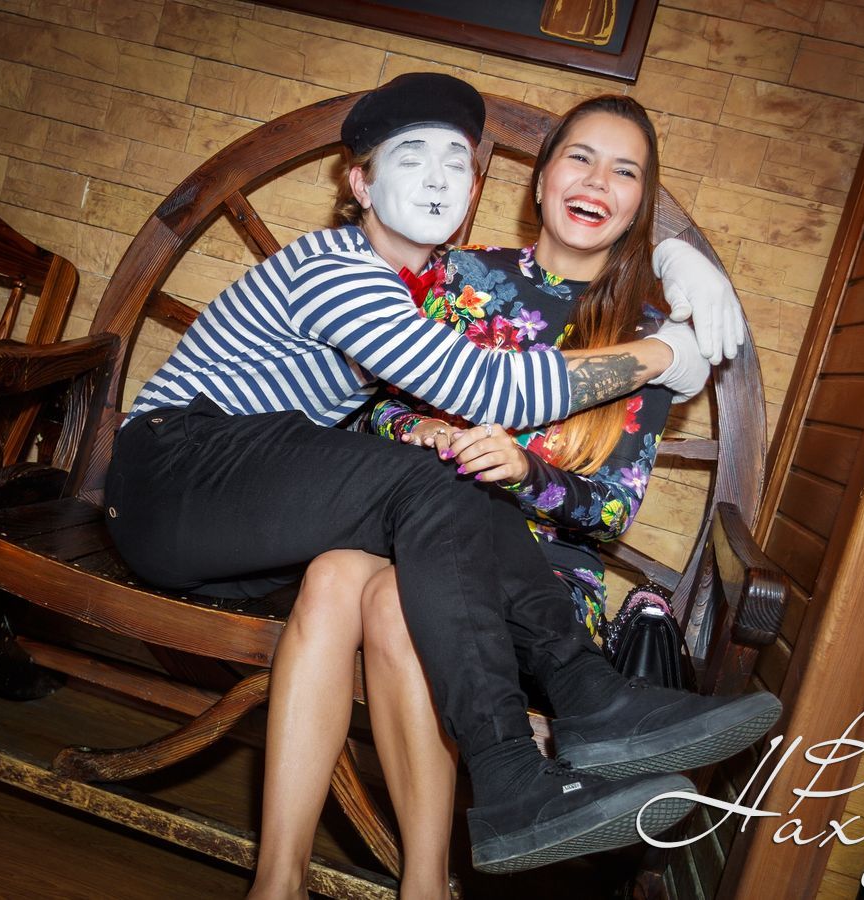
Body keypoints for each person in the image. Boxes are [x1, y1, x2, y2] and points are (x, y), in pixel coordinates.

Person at [104, 72, 767, 888]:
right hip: (182, 473)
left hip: (280, 519)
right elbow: (462, 396)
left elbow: (592, 498)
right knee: (432, 488)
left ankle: (290, 881)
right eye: (411, 157)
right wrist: (665, 354)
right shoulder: (362, 271)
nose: (436, 179)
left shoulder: (427, 284)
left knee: (359, 560)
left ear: (477, 189)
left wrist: (672, 256)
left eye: (456, 162)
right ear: (361, 183)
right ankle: (557, 730)